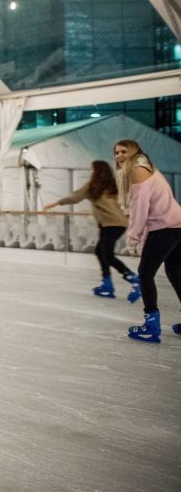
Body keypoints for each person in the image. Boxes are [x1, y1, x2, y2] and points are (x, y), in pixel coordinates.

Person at [42, 160, 139, 301]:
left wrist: (54, 203)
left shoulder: (93, 186)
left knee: (107, 255)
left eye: (91, 169)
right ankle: (107, 284)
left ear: (97, 171)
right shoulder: (113, 186)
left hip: (110, 224)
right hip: (119, 224)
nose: (90, 171)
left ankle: (132, 278)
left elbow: (74, 198)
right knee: (100, 251)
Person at [114, 140, 181, 343]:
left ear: (133, 152)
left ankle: (151, 326)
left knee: (145, 273)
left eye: (124, 151)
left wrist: (133, 238)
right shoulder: (147, 166)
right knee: (175, 271)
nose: (119, 156)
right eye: (116, 152)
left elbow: (139, 209)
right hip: (177, 224)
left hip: (165, 227)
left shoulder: (137, 171)